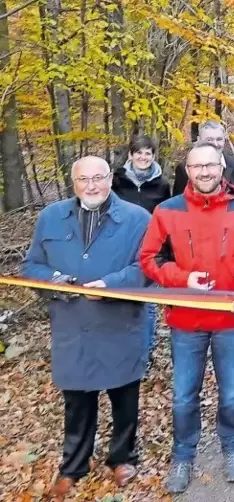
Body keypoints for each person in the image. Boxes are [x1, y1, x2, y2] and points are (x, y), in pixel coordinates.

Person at [140, 141, 234, 494]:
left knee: (231, 394)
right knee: (183, 396)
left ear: (222, 169)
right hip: (185, 320)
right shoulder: (167, 211)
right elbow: (150, 258)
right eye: (198, 167)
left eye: (211, 166)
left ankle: (232, 448)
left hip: (230, 319)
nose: (205, 172)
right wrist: (183, 278)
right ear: (188, 171)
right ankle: (183, 456)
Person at [22, 156, 151, 499]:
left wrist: (113, 283)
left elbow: (150, 267)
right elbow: (31, 265)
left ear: (111, 178)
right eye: (84, 179)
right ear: (73, 182)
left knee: (124, 397)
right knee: (77, 401)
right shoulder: (51, 217)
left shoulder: (138, 218)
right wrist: (55, 282)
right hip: (72, 325)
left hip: (119, 323)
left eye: (99, 178)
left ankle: (122, 457)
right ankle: (74, 465)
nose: (92, 185)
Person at [112, 135, 172, 353]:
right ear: (130, 155)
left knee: (147, 303)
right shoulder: (116, 180)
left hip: (150, 250)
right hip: (119, 248)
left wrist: (166, 251)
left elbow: (167, 217)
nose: (143, 157)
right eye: (139, 152)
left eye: (148, 153)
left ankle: (144, 354)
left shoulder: (162, 184)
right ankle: (121, 349)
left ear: (154, 156)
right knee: (120, 299)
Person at [172, 121, 234, 199]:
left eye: (219, 139)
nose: (215, 144)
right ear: (199, 140)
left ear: (224, 140)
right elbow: (178, 204)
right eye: (209, 140)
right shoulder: (184, 169)